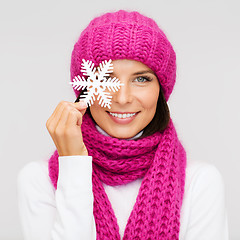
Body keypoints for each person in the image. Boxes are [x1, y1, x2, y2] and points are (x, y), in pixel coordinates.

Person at [17, 9, 229, 240]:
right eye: (107, 78)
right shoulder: (38, 179)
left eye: (141, 79)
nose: (122, 98)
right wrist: (73, 163)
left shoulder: (200, 182)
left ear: (161, 90)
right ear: (85, 88)